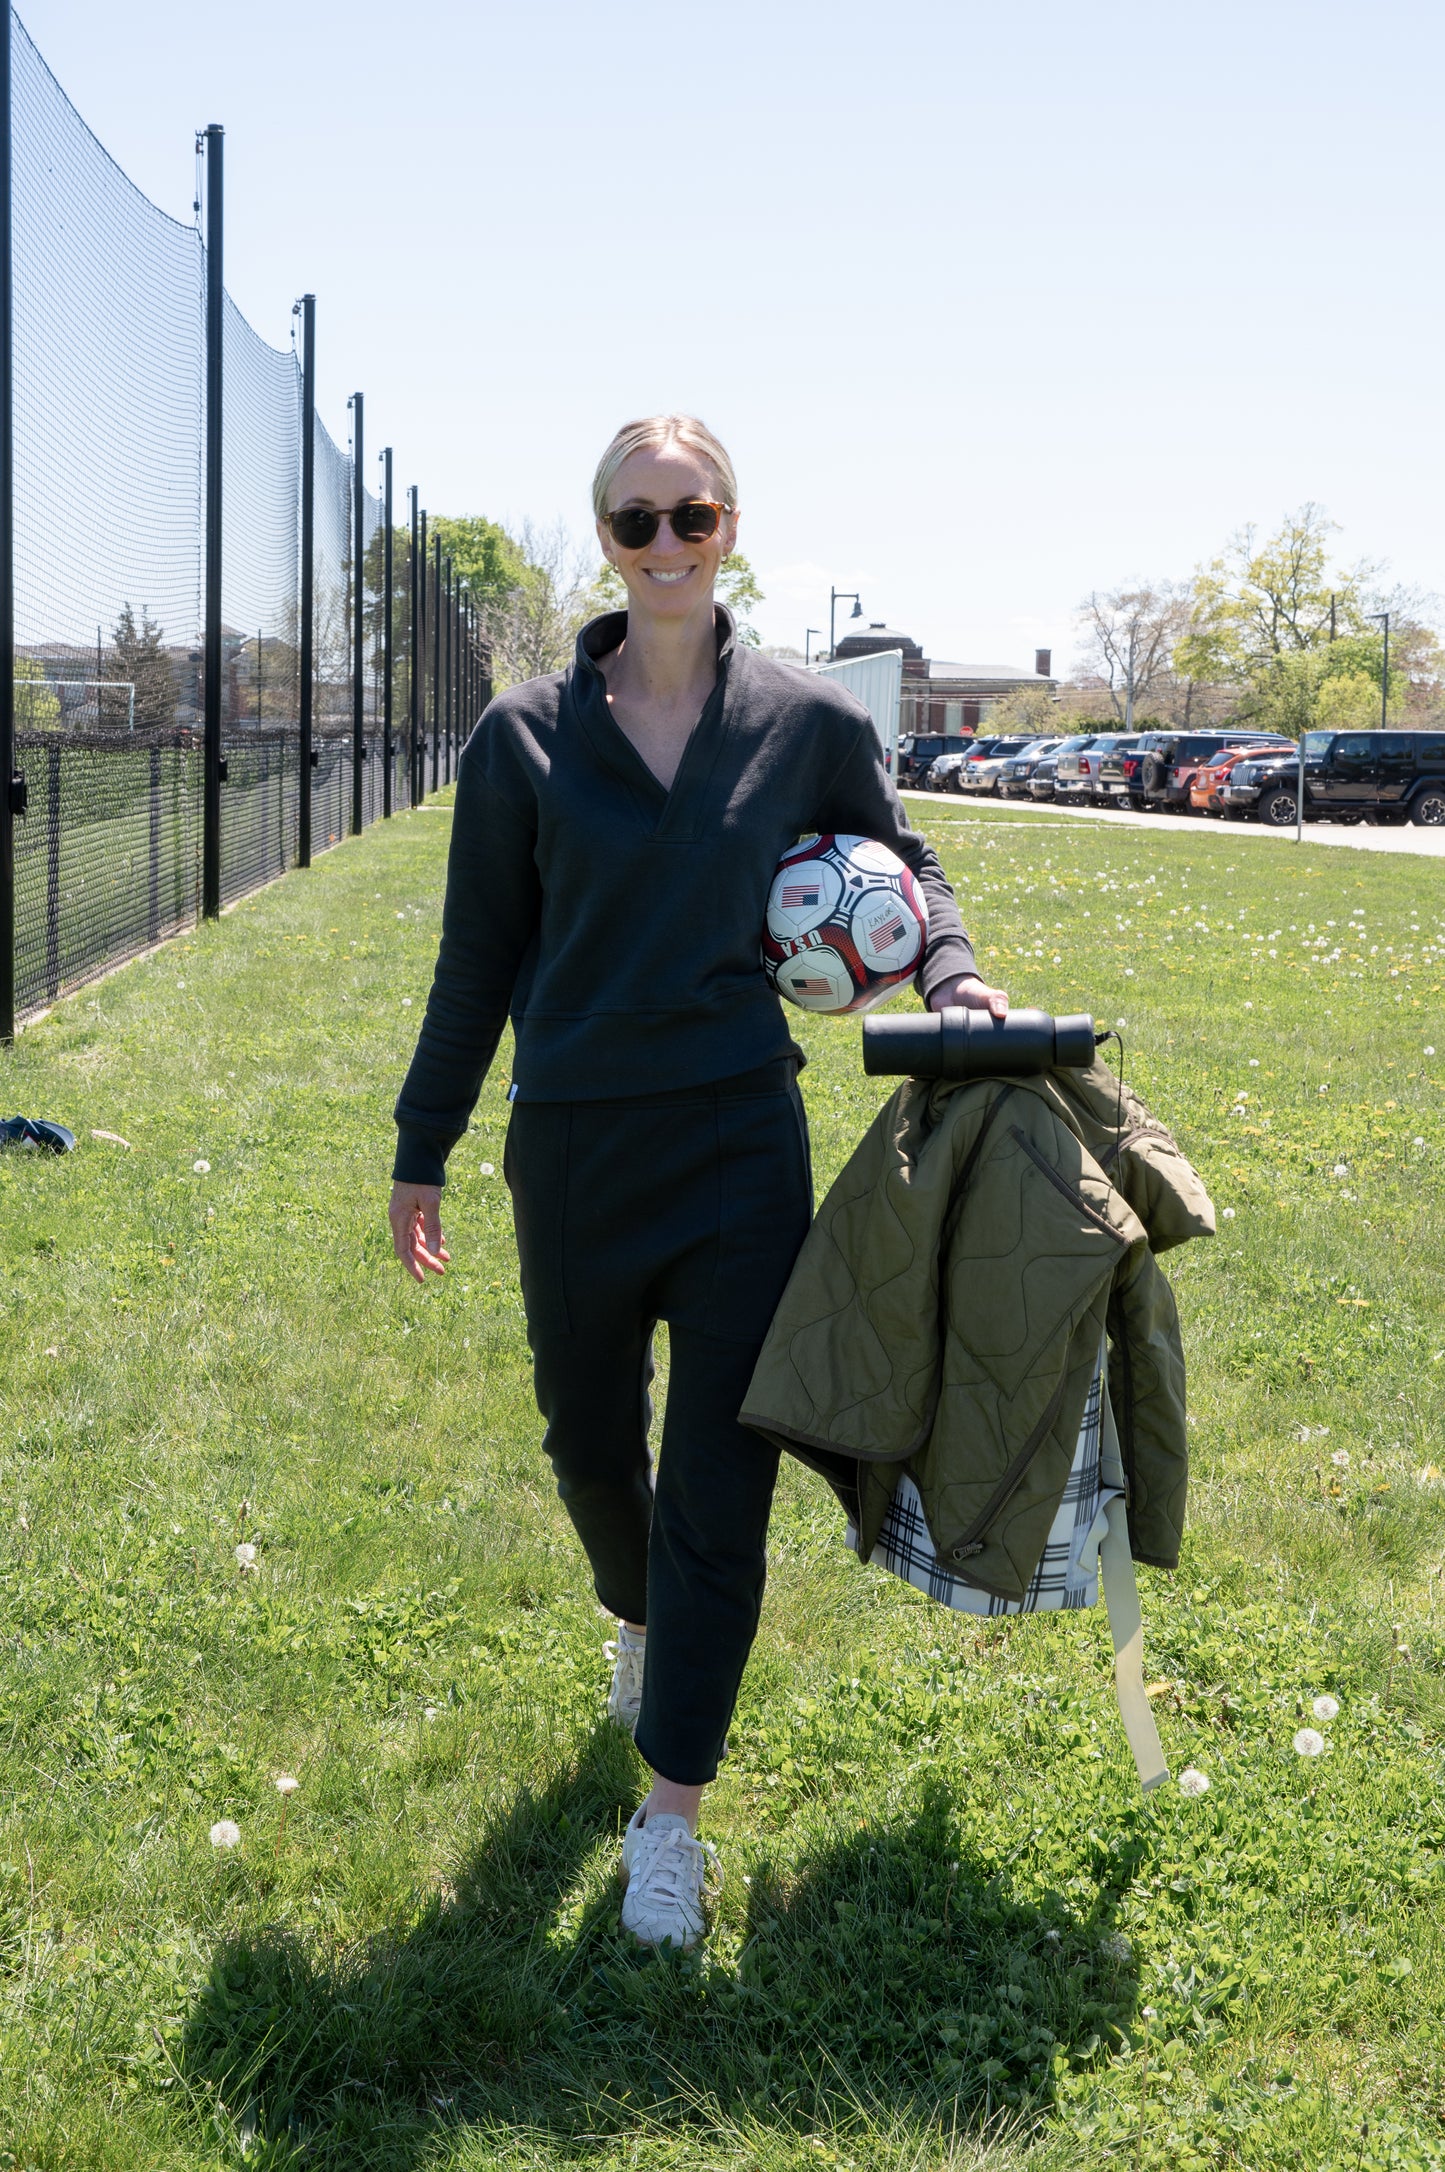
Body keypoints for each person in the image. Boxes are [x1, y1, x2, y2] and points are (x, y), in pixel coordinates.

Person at [388, 414, 1007, 1950]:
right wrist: (422, 1145)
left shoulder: (805, 721)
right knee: (590, 1447)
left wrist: (951, 973)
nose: (664, 544)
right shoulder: (523, 735)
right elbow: (477, 958)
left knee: (722, 1486)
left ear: (731, 528)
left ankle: (669, 1817)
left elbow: (906, 864)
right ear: (604, 539)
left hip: (739, 1143)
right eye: (635, 521)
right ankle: (636, 1615)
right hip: (576, 1146)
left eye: (692, 515)